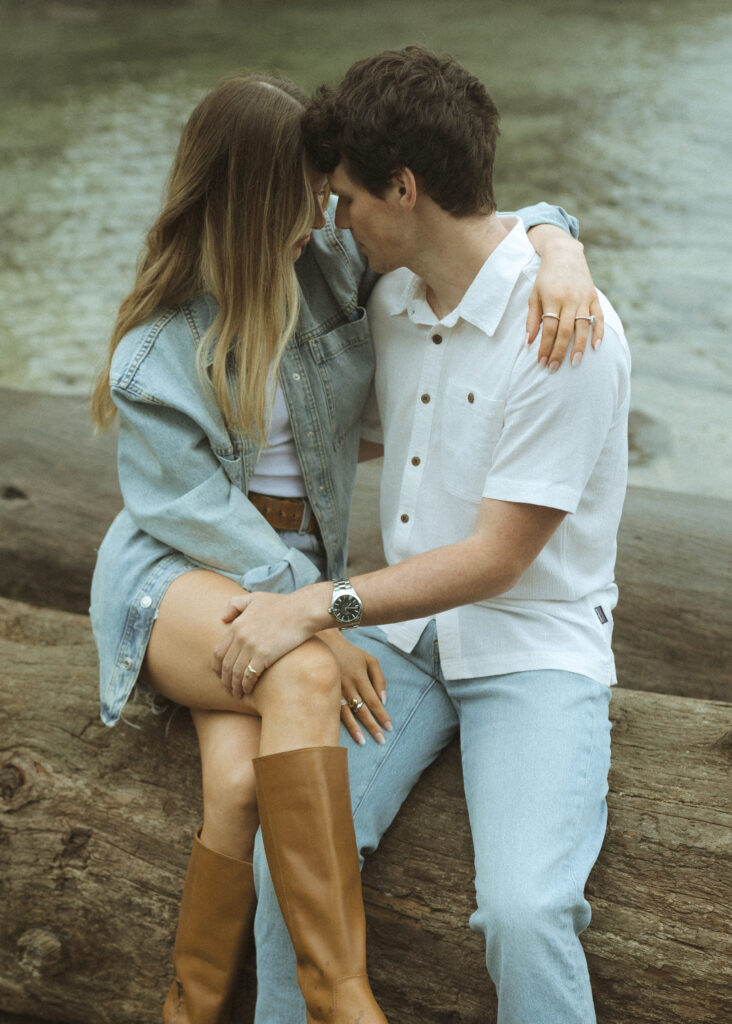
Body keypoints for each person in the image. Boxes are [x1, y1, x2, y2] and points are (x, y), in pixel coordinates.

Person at [89, 71, 601, 1024]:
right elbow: (203, 520)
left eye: (336, 197)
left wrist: (558, 239)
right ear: (250, 198)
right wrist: (319, 614)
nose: (328, 214)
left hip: (309, 590)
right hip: (182, 573)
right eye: (308, 195)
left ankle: (192, 1008)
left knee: (244, 792)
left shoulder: (333, 270)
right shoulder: (159, 354)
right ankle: (342, 996)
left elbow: (461, 215)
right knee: (303, 683)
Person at [218, 49, 630, 1024]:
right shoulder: (390, 292)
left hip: (532, 645)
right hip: (401, 647)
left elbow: (499, 558)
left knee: (526, 912)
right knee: (293, 856)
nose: (336, 220)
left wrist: (315, 604)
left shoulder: (564, 328)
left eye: (349, 199)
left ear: (405, 190)